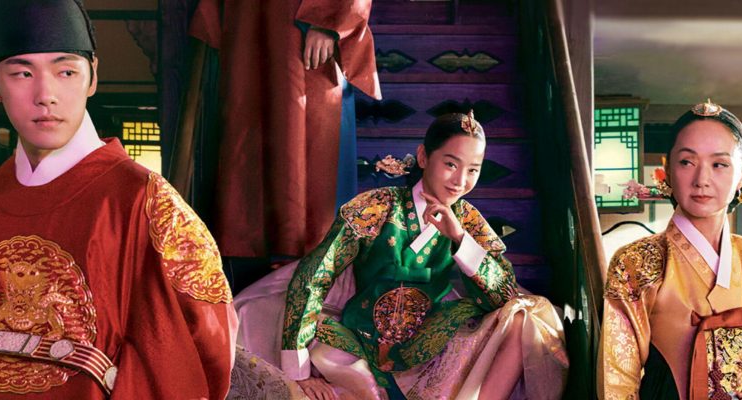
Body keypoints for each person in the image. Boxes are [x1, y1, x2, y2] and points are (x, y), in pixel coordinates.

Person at [0, 1, 236, 398]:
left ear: (93, 76)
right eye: (21, 73)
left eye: (66, 72)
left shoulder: (145, 202)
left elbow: (204, 344)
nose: (45, 95)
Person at [230, 112, 568, 400]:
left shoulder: (467, 221)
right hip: (361, 338)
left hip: (429, 344)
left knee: (526, 317)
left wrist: (459, 238)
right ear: (423, 157)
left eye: (473, 170)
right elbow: (314, 277)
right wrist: (300, 372)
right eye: (451, 164)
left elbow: (503, 295)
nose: (460, 181)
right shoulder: (376, 207)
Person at [599, 100, 742, 400]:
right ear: (667, 169)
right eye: (687, 162)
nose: (702, 180)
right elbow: (616, 378)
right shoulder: (635, 262)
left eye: (719, 164)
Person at [188, 0, 380, 259]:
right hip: (247, 22)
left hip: (304, 27)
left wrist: (329, 22)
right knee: (245, 130)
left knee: (306, 145)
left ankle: (305, 258)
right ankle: (247, 255)